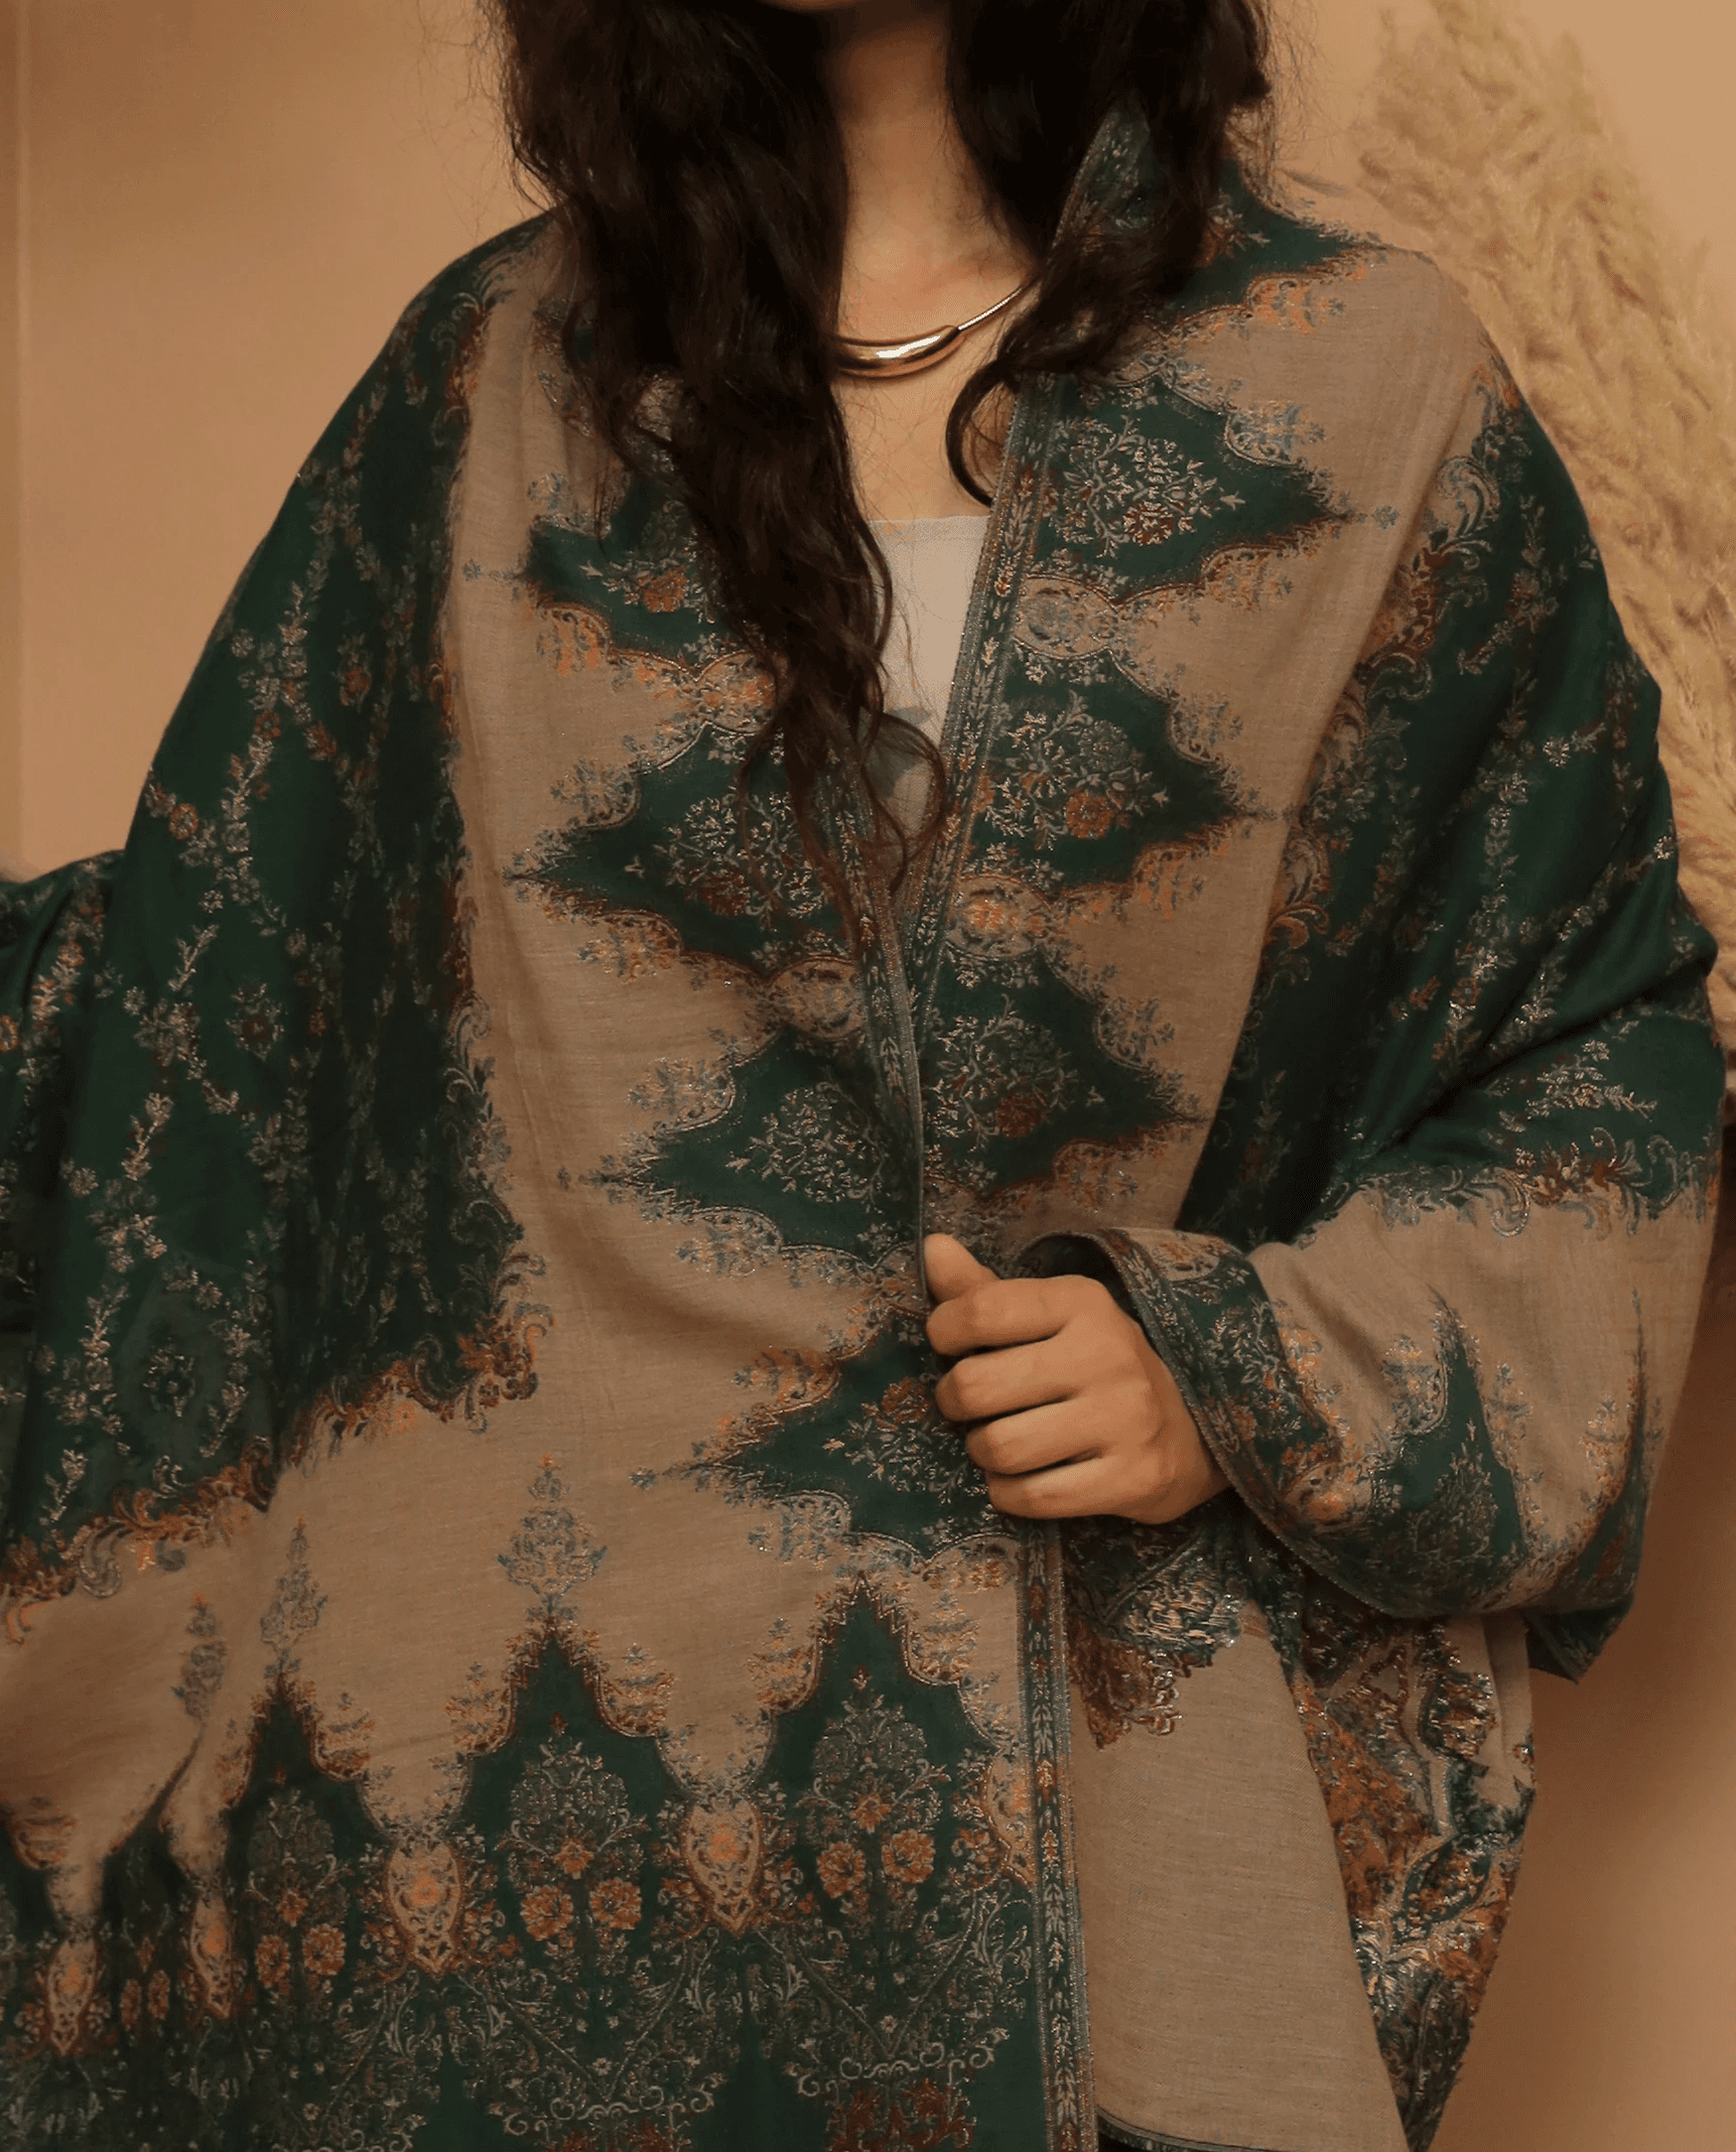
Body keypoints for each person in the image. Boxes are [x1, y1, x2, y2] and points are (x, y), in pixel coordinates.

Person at [0, 1, 1722, 2147]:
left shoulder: (1364, 386)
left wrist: (1234, 1369)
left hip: (1104, 1813)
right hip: (504, 1884)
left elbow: (1591, 1067)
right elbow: (200, 1006)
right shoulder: (484, 395)